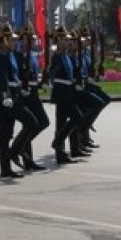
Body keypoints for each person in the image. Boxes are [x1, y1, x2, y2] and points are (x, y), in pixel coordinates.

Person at [0, 24, 39, 179]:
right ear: (5, 41)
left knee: (7, 132)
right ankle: (13, 154)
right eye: (12, 40)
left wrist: (21, 88)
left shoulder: (10, 56)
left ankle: (6, 167)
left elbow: (14, 78)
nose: (14, 42)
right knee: (30, 122)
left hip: (14, 96)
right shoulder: (0, 59)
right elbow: (2, 80)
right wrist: (6, 96)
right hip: (7, 100)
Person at [49, 27, 86, 164]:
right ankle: (58, 144)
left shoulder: (66, 56)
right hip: (61, 94)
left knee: (63, 123)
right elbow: (51, 74)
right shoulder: (57, 57)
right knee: (75, 118)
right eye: (65, 40)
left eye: (68, 40)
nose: (68, 42)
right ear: (58, 40)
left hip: (68, 92)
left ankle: (60, 151)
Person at [15, 24, 48, 171]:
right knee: (30, 125)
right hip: (24, 95)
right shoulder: (16, 57)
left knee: (43, 122)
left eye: (33, 40)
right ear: (22, 42)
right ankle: (28, 159)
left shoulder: (32, 56)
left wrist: (41, 84)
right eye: (29, 40)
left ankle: (21, 148)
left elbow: (34, 75)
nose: (33, 42)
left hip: (33, 93)